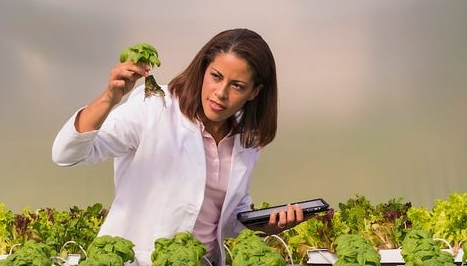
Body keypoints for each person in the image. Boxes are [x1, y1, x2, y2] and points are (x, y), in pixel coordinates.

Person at [52, 28, 308, 266]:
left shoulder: (246, 138)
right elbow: (66, 154)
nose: (220, 92)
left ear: (254, 92)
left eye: (237, 86)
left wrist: (266, 225)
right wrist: (110, 98)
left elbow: (223, 218)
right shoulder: (154, 106)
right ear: (203, 69)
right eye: (216, 77)